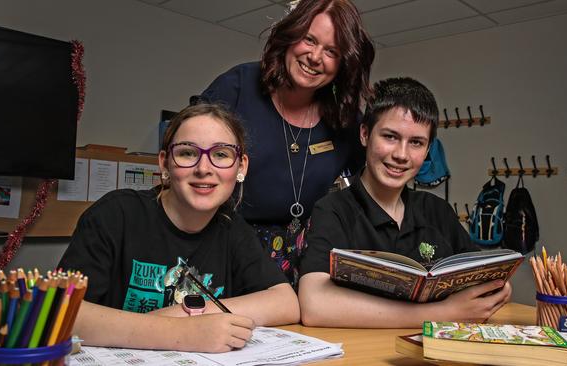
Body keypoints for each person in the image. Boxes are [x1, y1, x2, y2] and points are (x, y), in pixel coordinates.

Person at [58, 104, 299, 352]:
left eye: (221, 154)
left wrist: (189, 313)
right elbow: (60, 313)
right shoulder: (115, 215)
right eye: (187, 153)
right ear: (165, 163)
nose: (204, 169)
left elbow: (285, 302)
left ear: (241, 167)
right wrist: (181, 332)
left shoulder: (232, 229)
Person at [297, 77, 513, 328]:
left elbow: (483, 280)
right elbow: (314, 306)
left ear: (428, 148)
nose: (401, 155)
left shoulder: (437, 211)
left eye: (416, 143)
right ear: (365, 134)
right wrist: (442, 312)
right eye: (390, 136)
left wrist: (497, 288)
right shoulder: (332, 210)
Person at [198, 0, 375, 285]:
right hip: (222, 247)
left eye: (331, 51)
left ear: (343, 63)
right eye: (309, 39)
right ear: (291, 34)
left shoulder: (346, 118)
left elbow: (372, 179)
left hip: (301, 262)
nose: (315, 57)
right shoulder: (238, 87)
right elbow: (187, 155)